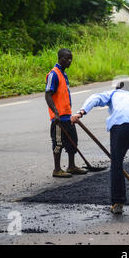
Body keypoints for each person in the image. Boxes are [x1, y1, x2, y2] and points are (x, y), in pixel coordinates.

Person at [71, 81, 129, 214]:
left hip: (120, 126)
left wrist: (81, 112)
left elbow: (95, 97)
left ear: (118, 88)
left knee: (116, 164)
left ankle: (117, 203)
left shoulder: (114, 93)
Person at [45, 48, 88, 178]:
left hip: (67, 116)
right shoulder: (54, 74)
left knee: (73, 142)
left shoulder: (63, 74)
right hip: (58, 118)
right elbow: (48, 95)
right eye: (66, 59)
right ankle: (57, 169)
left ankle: (71, 166)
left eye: (71, 59)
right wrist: (56, 113)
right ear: (60, 58)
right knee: (58, 144)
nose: (69, 61)